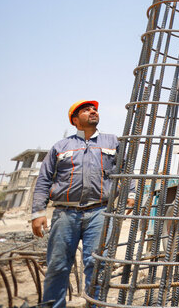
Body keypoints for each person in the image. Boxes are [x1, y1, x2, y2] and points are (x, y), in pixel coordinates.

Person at [31, 100, 134, 307]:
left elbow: (126, 169)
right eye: (86, 110)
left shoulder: (112, 141)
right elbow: (44, 179)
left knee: (97, 265)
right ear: (75, 120)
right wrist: (38, 213)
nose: (93, 111)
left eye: (94, 109)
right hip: (64, 215)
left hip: (99, 211)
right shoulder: (61, 146)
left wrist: (131, 192)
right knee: (58, 266)